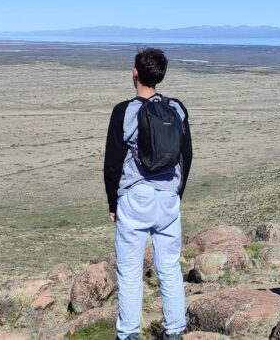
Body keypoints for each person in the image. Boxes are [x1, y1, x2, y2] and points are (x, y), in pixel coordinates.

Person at [104, 47, 192, 340]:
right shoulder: (176, 108)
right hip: (168, 196)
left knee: (130, 271)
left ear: (135, 73)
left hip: (135, 197)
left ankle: (129, 333)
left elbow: (112, 163)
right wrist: (177, 192)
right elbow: (187, 155)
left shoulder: (124, 111)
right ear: (160, 75)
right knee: (169, 267)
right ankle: (175, 330)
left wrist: (113, 202)